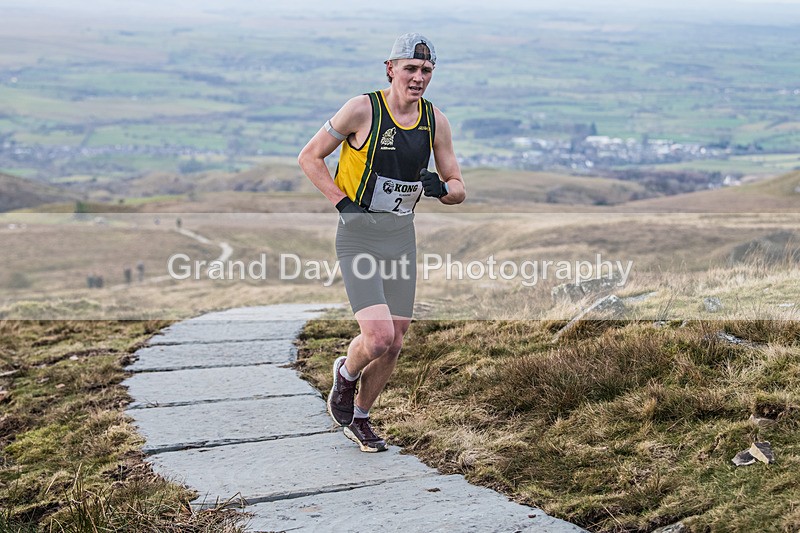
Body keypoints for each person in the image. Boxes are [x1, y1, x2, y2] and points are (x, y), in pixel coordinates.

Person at [298, 33, 465, 452]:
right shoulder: (362, 109)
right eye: (410, 68)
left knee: (396, 339)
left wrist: (440, 188)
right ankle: (346, 374)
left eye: (426, 70)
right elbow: (309, 157)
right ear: (390, 69)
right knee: (376, 337)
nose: (418, 77)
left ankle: (361, 417)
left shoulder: (435, 121)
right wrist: (343, 204)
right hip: (358, 236)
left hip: (400, 238)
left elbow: (459, 187)